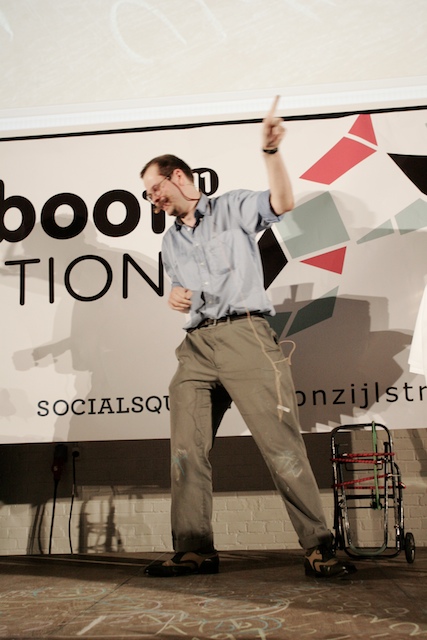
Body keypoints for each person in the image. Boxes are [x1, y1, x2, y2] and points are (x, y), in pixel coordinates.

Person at [140, 97, 356, 579]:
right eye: (148, 194)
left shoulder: (231, 207)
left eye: (156, 187)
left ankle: (318, 547)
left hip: (246, 336)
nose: (153, 198)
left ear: (179, 177)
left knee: (281, 446)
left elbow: (282, 203)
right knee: (186, 450)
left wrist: (271, 152)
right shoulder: (170, 240)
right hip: (196, 347)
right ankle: (195, 548)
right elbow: (184, 290)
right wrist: (176, 297)